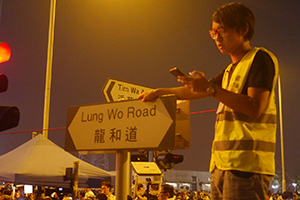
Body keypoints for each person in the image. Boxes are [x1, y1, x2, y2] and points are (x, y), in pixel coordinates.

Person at [138, 2, 279, 200]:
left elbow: (254, 107)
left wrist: (210, 88)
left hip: (247, 168)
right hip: (221, 166)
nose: (217, 38)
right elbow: (195, 92)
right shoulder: (230, 70)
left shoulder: (260, 59)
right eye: (213, 33)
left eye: (222, 31)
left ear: (243, 30)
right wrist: (160, 92)